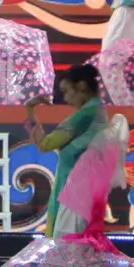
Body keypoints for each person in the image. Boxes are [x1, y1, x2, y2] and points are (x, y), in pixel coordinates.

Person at [25, 63, 109, 237]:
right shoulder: (97, 111)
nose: (65, 98)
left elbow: (45, 143)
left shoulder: (85, 115)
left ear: (81, 87)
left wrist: (30, 109)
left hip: (74, 192)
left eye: (66, 91)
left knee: (67, 243)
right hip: (83, 189)